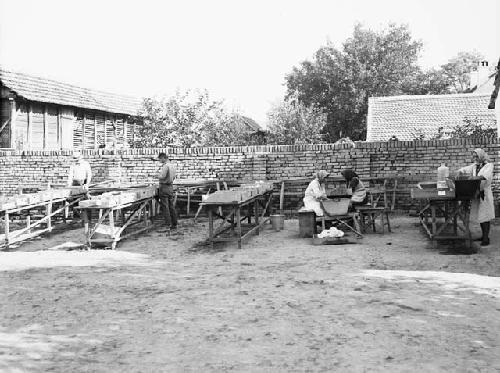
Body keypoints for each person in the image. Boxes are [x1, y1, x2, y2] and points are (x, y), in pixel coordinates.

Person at [458, 148, 494, 246]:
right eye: (473, 156)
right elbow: (465, 169)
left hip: (485, 193)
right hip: (477, 193)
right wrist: (460, 172)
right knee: (481, 216)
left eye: (476, 156)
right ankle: (483, 236)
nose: (475, 158)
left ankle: (486, 238)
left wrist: (473, 178)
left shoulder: (489, 165)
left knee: (485, 216)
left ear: (481, 156)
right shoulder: (475, 166)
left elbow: (484, 176)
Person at [157, 152, 178, 232]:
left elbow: (162, 176)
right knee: (171, 206)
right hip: (170, 187)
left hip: (164, 187)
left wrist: (156, 175)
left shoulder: (166, 166)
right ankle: (174, 223)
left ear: (163, 158)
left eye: (160, 159)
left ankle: (168, 225)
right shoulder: (172, 165)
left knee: (165, 207)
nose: (159, 161)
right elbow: (174, 176)